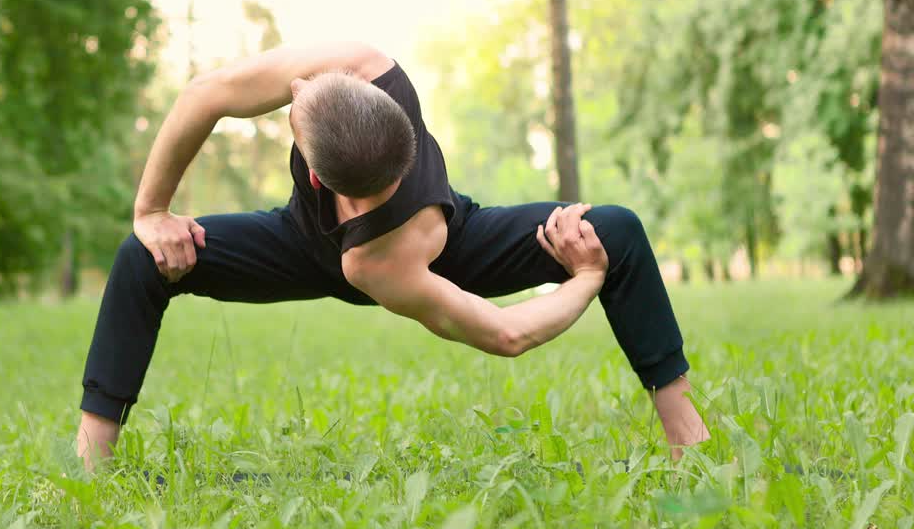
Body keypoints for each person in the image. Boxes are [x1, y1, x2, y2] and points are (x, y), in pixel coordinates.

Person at [77, 41, 710, 468]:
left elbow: (510, 334)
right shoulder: (361, 62)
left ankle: (688, 437)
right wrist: (152, 212)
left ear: (320, 177)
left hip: (443, 247)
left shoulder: (379, 260)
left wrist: (588, 273)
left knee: (616, 232)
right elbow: (206, 94)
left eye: (294, 104)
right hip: (302, 240)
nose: (293, 89)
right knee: (144, 258)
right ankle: (89, 464)